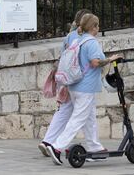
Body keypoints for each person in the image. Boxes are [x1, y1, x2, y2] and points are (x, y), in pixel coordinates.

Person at [46, 13, 121, 165]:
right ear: (93, 27)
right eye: (97, 25)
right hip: (85, 88)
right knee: (78, 118)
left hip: (75, 86)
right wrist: (111, 59)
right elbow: (95, 62)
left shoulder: (78, 39)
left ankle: (94, 147)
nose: (98, 28)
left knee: (89, 117)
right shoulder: (91, 42)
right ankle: (56, 147)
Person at [38, 9, 92, 157]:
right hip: (78, 81)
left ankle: (48, 141)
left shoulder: (69, 36)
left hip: (64, 77)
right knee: (82, 114)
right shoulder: (85, 37)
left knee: (63, 110)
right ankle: (57, 145)